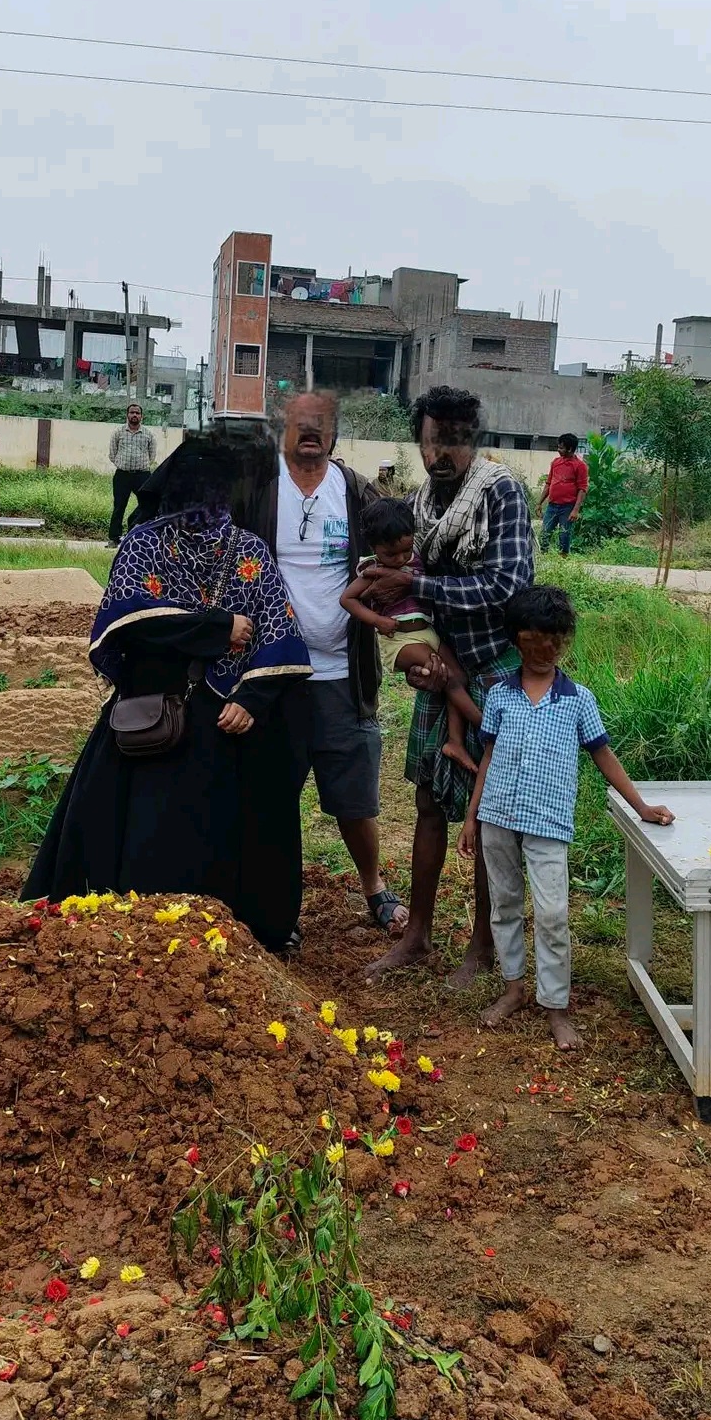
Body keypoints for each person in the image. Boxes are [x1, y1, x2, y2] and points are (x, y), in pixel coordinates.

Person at [22, 428, 312, 952]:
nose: (205, 502)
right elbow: (127, 619)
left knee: (237, 828)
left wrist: (251, 700)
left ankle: (238, 933)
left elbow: (279, 632)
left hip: (228, 723)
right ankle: (127, 933)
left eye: (214, 490)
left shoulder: (249, 549)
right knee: (139, 833)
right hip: (154, 718)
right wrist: (216, 628)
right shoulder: (144, 544)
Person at [363, 385, 535, 979]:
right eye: (435, 441)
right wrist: (420, 661)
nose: (445, 455)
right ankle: (417, 934)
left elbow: (509, 588)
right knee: (429, 804)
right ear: (421, 442)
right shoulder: (418, 505)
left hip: (497, 672)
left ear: (474, 441)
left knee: (491, 815)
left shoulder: (501, 492)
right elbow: (399, 589)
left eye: (457, 442)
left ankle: (483, 944)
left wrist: (420, 593)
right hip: (443, 675)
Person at [457, 585, 674, 1047]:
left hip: (549, 822)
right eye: (537, 641)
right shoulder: (499, 695)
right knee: (505, 905)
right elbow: (489, 757)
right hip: (497, 815)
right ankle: (514, 987)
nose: (548, 650)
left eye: (556, 640)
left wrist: (642, 806)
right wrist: (472, 816)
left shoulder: (578, 699)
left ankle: (555, 1005)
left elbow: (603, 755)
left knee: (553, 914)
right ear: (518, 639)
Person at [244, 390, 407, 937]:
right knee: (271, 795)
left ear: (334, 434)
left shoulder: (356, 490)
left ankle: (374, 886)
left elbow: (398, 550)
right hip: (273, 673)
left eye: (321, 425)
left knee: (354, 796)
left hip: (343, 671)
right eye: (300, 424)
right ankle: (274, 902)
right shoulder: (259, 487)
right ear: (281, 429)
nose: (310, 433)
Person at [341, 497, 483, 772]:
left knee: (459, 676)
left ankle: (455, 742)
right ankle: (486, 726)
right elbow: (347, 599)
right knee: (449, 678)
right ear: (374, 548)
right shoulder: (371, 570)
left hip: (427, 631)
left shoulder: (416, 560)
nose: (400, 559)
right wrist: (377, 620)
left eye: (405, 551)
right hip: (400, 640)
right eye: (390, 555)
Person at [107, 404, 158, 546]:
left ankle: (136, 530)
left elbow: (152, 455)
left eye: (137, 413)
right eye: (132, 412)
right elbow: (112, 453)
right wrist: (121, 464)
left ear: (141, 416)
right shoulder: (118, 433)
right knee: (119, 506)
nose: (134, 415)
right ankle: (114, 538)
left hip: (142, 475)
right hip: (122, 475)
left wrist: (142, 465)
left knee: (147, 504)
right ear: (127, 415)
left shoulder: (148, 434)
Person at [538, 434, 588, 556]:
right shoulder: (555, 463)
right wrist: (539, 503)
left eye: (561, 448)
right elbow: (548, 484)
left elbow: (582, 489)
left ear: (570, 449)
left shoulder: (580, 466)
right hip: (552, 506)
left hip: (568, 507)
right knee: (545, 533)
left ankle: (563, 560)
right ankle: (542, 556)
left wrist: (575, 510)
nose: (558, 450)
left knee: (564, 535)